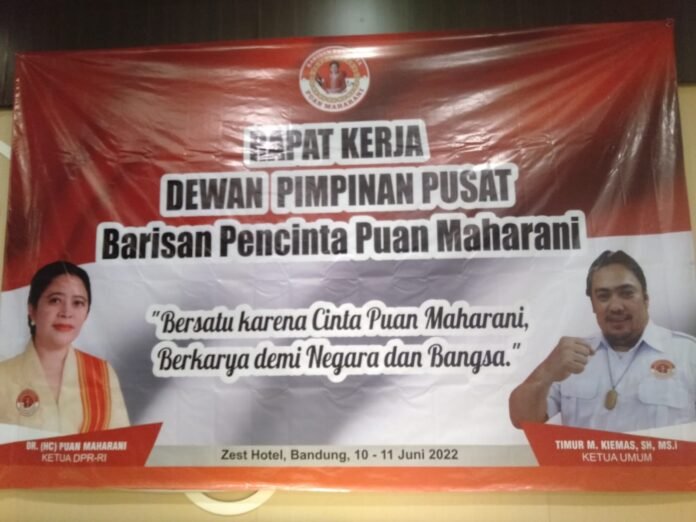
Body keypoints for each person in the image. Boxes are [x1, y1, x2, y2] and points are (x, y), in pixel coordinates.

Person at [509, 250, 696, 432]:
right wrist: (546, 372)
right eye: (603, 296)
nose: (615, 307)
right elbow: (522, 419)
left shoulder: (688, 354)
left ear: (646, 299)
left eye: (626, 293)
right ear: (593, 305)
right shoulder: (570, 357)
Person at [0, 261, 129, 434]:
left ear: (86, 314)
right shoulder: (3, 376)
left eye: (78, 303)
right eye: (55, 300)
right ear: (32, 310)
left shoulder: (102, 373)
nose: (66, 312)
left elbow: (121, 444)